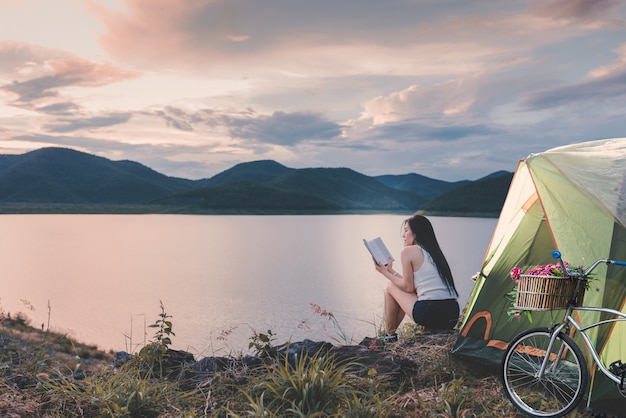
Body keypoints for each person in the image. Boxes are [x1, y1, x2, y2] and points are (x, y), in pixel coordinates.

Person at [373, 214, 459, 340]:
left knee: (390, 286)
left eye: (406, 230)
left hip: (430, 311)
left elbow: (408, 287)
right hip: (452, 313)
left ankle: (389, 336)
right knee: (396, 285)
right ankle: (389, 335)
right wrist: (391, 271)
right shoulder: (434, 252)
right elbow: (412, 286)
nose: (403, 235)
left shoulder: (408, 251)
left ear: (416, 233)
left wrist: (384, 273)